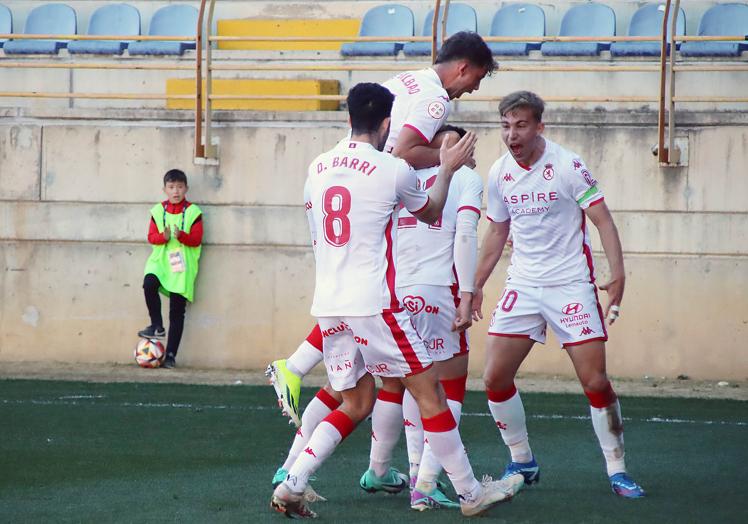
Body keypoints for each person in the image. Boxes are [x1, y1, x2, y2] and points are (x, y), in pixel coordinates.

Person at [270, 83, 522, 519]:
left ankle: (293, 482)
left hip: (328, 303)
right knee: (431, 395)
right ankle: (468, 493)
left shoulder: (318, 166)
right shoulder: (391, 169)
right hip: (375, 304)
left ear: (348, 118)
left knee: (356, 401)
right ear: (388, 123)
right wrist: (444, 169)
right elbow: (432, 210)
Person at [267, 29, 496, 434]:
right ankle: (439, 485)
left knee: (358, 381)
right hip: (362, 188)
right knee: (395, 373)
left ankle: (296, 435)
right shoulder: (434, 98)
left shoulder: (409, 79)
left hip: (331, 180)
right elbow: (404, 153)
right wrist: (448, 160)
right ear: (463, 67)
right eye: (475, 79)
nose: (471, 90)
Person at [472, 91, 645, 499]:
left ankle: (618, 470)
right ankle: (522, 459)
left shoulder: (567, 165)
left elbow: (602, 220)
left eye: (521, 125)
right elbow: (497, 232)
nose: (512, 135)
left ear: (539, 127)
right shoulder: (498, 172)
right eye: (506, 126)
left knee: (595, 381)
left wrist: (617, 273)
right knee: (494, 377)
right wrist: (474, 286)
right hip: (523, 285)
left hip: (570, 285)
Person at [138, 169, 203, 369]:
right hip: (160, 259)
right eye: (171, 187)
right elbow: (151, 237)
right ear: (165, 189)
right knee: (149, 283)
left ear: (186, 189)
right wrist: (163, 237)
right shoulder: (157, 210)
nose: (176, 191)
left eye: (180, 187)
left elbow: (197, 239)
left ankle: (171, 355)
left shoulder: (194, 212)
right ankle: (156, 325)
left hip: (182, 264)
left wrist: (182, 235)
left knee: (177, 310)